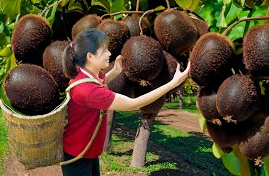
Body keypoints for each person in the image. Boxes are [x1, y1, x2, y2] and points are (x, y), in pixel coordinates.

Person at [61, 28, 190, 176]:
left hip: (86, 150)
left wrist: (115, 71)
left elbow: (97, 85)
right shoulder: (88, 91)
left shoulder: (84, 74)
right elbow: (133, 104)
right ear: (90, 56)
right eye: (104, 51)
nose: (109, 54)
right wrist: (171, 84)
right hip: (77, 157)